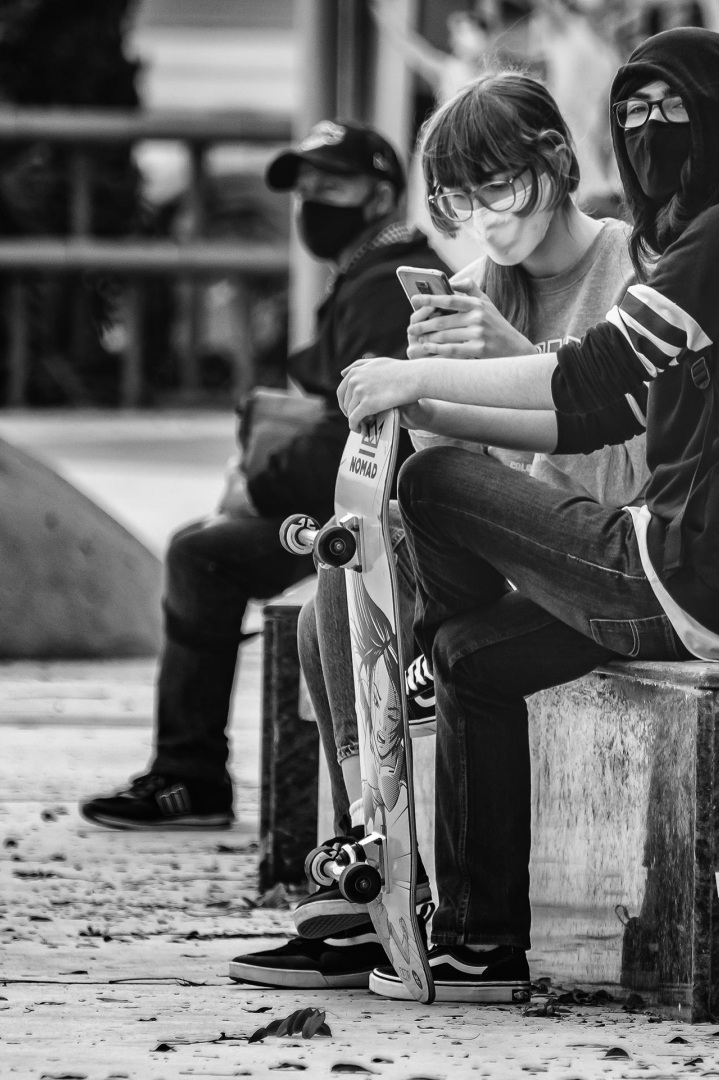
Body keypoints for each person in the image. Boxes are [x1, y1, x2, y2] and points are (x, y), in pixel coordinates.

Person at [334, 28, 719, 1002]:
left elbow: (601, 399)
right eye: (634, 117)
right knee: (470, 658)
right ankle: (478, 949)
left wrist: (434, 372)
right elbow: (592, 407)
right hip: (666, 569)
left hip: (696, 572)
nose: (650, 139)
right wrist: (424, 399)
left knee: (427, 503)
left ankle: (413, 675)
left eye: (674, 113)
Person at [225, 73, 648, 993]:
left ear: (560, 163)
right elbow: (447, 473)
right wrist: (413, 404)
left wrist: (503, 357)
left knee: (434, 625)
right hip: (496, 560)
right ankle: (369, 874)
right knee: (325, 611)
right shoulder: (465, 287)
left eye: (499, 187)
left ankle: (409, 887)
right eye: (457, 199)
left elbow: (629, 447)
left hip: (608, 554)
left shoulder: (632, 269)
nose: (483, 217)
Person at [78, 119, 450, 831]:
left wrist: (261, 483)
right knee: (201, 549)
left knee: (201, 556)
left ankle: (189, 778)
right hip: (348, 507)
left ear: (378, 195)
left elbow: (368, 436)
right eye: (304, 188)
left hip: (373, 519)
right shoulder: (365, 273)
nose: (311, 201)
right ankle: (186, 773)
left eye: (331, 185)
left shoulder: (380, 286)